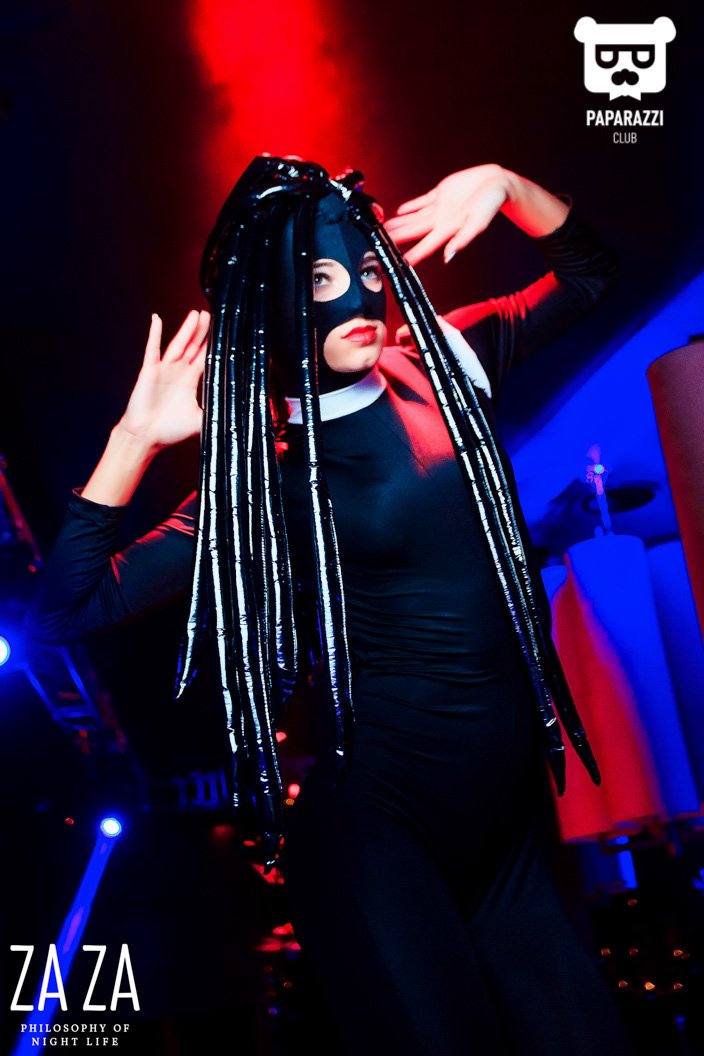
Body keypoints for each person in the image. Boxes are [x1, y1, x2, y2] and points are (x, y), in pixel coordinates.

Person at [29, 156, 633, 1055]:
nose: (359, 294)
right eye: (318, 278)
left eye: (369, 266)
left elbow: (592, 273)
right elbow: (66, 614)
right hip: (378, 836)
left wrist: (505, 185)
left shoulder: (444, 364)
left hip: (506, 822)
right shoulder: (263, 474)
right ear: (268, 298)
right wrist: (134, 440)